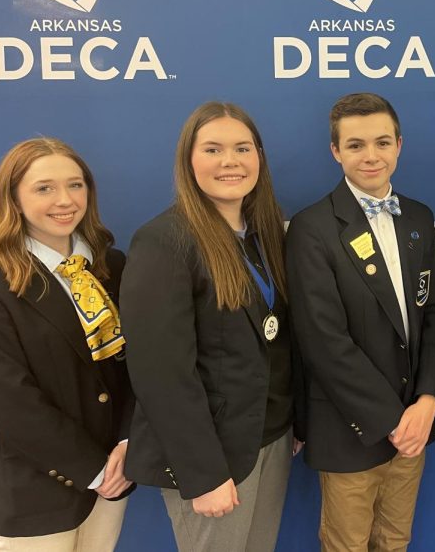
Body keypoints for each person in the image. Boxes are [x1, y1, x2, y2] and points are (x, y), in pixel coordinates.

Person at [120, 102, 297, 552]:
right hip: (212, 455)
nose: (230, 161)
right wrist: (204, 474)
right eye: (213, 149)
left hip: (269, 439)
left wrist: (289, 423)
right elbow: (161, 375)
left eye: (242, 148)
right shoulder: (164, 241)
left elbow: (273, 341)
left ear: (259, 156)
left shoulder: (263, 234)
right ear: (188, 159)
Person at [286, 92, 435, 552]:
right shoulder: (312, 228)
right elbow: (323, 340)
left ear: (400, 145)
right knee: (348, 545)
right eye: (355, 145)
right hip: (351, 429)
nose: (371, 156)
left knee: (395, 541)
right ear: (336, 151)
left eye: (382, 142)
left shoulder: (418, 218)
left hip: (414, 427)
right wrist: (390, 419)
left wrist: (428, 400)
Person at [0, 138, 133, 552]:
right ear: (14, 197)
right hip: (39, 495)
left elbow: (136, 366)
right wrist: (95, 471)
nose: (65, 200)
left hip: (116, 477)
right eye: (44, 188)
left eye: (76, 185)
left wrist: (127, 444)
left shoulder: (112, 267)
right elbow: (12, 402)